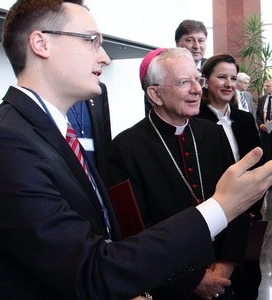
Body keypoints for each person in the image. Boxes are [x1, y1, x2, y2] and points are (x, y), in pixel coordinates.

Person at [0, 0, 272, 299]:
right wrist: (222, 206)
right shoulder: (6, 142)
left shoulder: (49, 132)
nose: (104, 56)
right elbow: (90, 265)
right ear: (41, 44)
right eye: (91, 40)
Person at [107, 48, 251, 299]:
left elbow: (236, 200)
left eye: (198, 80)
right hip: (170, 285)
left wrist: (226, 263)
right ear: (155, 94)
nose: (197, 89)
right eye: (184, 82)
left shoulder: (213, 134)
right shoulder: (124, 148)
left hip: (221, 280)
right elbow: (132, 232)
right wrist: (191, 280)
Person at [197, 54, 268, 299]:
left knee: (249, 279)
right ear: (205, 81)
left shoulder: (245, 119)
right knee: (219, 283)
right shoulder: (196, 121)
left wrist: (250, 205)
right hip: (215, 215)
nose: (229, 84)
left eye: (233, 78)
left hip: (247, 212)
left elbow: (262, 167)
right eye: (222, 77)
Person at [66, 82, 112, 182]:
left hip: (97, 177)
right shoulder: (52, 89)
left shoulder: (99, 89)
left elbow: (106, 141)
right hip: (67, 177)